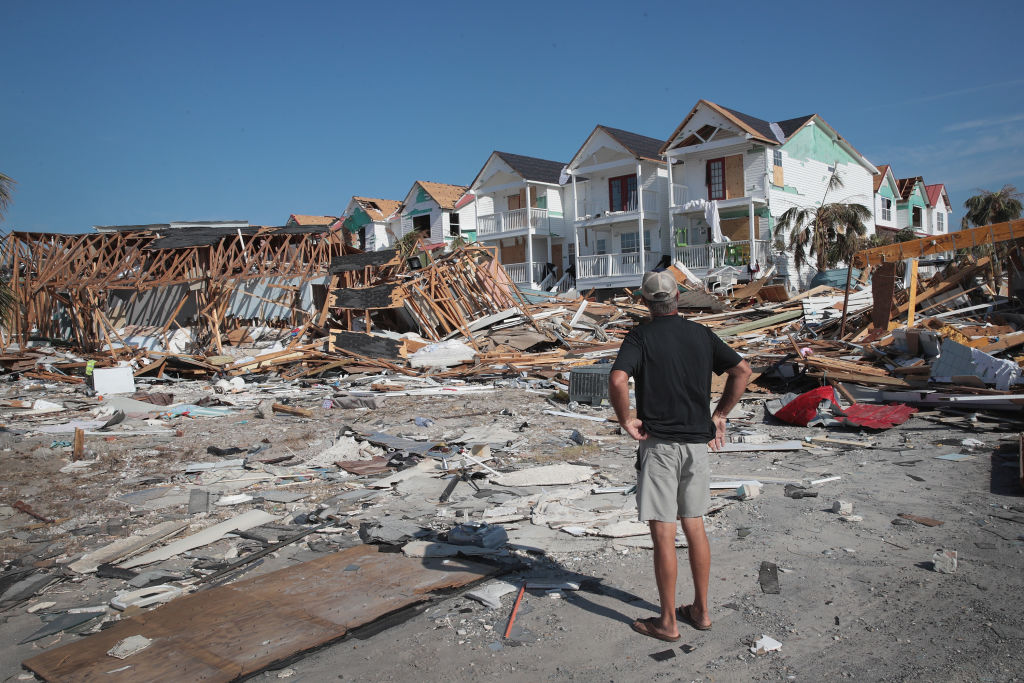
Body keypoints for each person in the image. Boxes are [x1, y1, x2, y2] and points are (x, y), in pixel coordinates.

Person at [609, 270, 751, 642]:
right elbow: (742, 370)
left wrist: (626, 419)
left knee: (663, 532)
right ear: (678, 299)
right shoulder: (700, 334)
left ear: (644, 300)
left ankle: (668, 621)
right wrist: (719, 415)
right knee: (695, 524)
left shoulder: (640, 335)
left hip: (659, 446)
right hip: (695, 446)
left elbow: (617, 379)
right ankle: (701, 611)